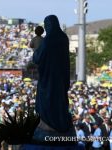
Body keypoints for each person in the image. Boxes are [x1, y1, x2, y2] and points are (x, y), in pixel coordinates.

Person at [25, 15, 79, 150]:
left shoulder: (48, 40)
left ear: (48, 25)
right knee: (60, 100)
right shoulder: (63, 38)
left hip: (48, 78)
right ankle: (61, 122)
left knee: (47, 101)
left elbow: (38, 58)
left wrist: (35, 52)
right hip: (61, 77)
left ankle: (49, 123)